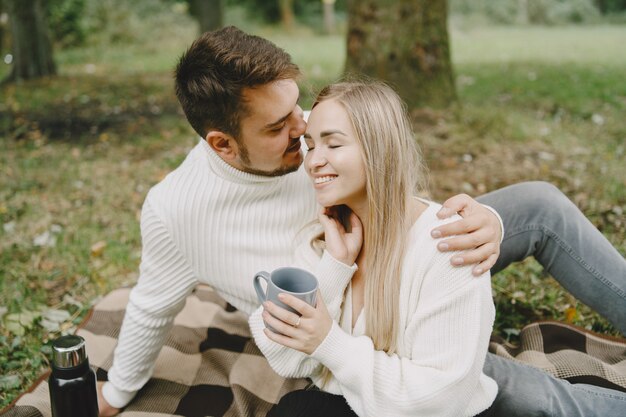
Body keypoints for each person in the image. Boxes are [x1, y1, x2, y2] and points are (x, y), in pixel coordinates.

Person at [97, 26, 626, 416]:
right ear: (223, 143)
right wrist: (115, 394)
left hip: (400, 260)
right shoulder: (176, 213)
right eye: (281, 126)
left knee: (537, 205)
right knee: (478, 387)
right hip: (350, 318)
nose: (304, 132)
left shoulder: (310, 142)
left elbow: (378, 178)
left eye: (299, 107)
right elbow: (150, 306)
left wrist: (482, 219)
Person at [250, 81, 498, 416]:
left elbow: (439, 400)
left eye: (333, 144)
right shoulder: (324, 238)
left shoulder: (448, 247)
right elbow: (281, 354)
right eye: (310, 145)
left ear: (378, 149)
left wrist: (329, 344)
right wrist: (335, 268)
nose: (313, 162)